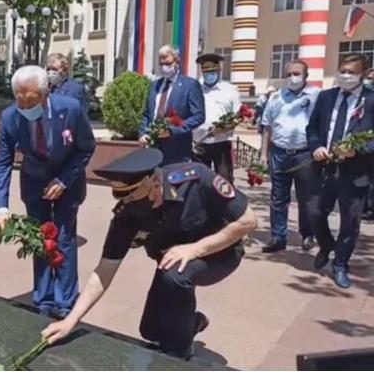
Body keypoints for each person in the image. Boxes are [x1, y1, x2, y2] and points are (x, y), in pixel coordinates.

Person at [39, 148, 257, 359]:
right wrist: (70, 321)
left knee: (175, 278)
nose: (130, 206)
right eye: (125, 200)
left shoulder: (197, 179)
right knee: (150, 330)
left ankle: (180, 354)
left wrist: (194, 249)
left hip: (221, 253)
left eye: (135, 198)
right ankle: (193, 322)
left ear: (155, 184)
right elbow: (104, 271)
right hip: (172, 262)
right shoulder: (127, 215)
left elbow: (249, 221)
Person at [0, 65, 96, 317]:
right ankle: (44, 298)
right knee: (38, 238)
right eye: (20, 101)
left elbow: (86, 147)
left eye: (31, 102)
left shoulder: (70, 109)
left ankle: (66, 301)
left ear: (45, 93)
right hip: (33, 181)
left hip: (68, 180)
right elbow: (3, 162)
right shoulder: (10, 117)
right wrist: (1, 207)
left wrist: (63, 180)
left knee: (64, 238)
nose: (25, 108)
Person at [306, 54, 374, 289]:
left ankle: (340, 264)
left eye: (351, 72)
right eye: (342, 71)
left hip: (355, 172)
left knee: (350, 221)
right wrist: (316, 147)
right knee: (314, 211)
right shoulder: (326, 97)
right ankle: (326, 245)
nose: (345, 76)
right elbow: (312, 129)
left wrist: (357, 150)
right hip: (325, 167)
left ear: (363, 75)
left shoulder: (371, 100)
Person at [259, 60, 319, 253]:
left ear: (306, 76)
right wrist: (263, 154)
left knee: (306, 197)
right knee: (278, 197)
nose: (292, 78)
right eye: (289, 74)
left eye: (296, 73)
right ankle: (278, 237)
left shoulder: (316, 96)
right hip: (279, 153)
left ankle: (307, 234)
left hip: (304, 154)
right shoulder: (276, 97)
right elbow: (266, 127)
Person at [139, 45, 205, 165]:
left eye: (168, 63)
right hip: (153, 149)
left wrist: (172, 131)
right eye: (161, 64)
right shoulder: (154, 85)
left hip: (177, 151)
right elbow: (146, 114)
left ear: (177, 61)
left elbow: (199, 116)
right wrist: (143, 133)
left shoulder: (190, 85)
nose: (164, 67)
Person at [192, 53, 241, 183]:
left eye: (212, 70)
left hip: (221, 143)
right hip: (199, 143)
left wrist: (225, 127)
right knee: (200, 181)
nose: (209, 73)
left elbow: (238, 116)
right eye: (206, 70)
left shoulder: (230, 90)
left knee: (225, 181)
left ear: (219, 69)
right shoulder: (195, 89)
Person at [362, 68, 374, 222]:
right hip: (361, 145)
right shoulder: (360, 98)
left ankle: (370, 208)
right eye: (369, 78)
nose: (370, 82)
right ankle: (364, 208)